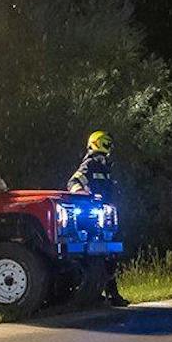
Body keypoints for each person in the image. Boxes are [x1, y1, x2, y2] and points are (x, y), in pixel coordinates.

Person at [67, 131, 126, 306]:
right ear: (97, 143)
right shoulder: (90, 164)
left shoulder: (105, 166)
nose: (109, 148)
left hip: (105, 216)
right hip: (91, 218)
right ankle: (103, 294)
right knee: (97, 256)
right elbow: (73, 182)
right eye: (106, 144)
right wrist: (80, 192)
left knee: (109, 256)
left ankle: (109, 294)